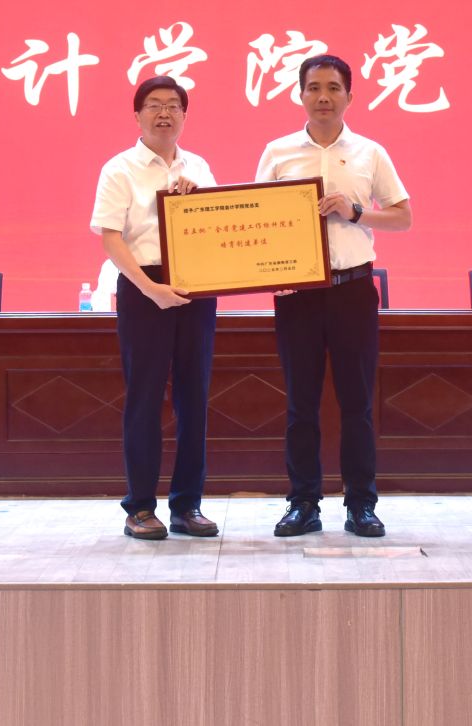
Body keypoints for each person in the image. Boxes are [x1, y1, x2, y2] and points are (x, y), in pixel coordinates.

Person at [256, 54, 412, 539]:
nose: (323, 97)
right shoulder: (278, 152)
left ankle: (361, 504)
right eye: (314, 88)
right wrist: (271, 269)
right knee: (300, 405)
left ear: (349, 95)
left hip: (353, 291)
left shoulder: (370, 153)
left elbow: (403, 216)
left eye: (333, 88)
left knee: (357, 404)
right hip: (297, 294)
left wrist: (355, 211)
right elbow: (259, 220)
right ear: (300, 94)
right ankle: (303, 503)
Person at [90, 75, 218, 541]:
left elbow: (219, 225)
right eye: (154, 105)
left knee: (194, 399)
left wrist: (200, 198)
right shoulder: (119, 169)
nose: (164, 113)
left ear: (185, 115)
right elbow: (110, 238)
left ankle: (187, 505)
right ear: (137, 115)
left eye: (173, 106)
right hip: (143, 288)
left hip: (197, 287)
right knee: (145, 399)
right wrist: (150, 289)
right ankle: (140, 507)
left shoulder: (199, 166)